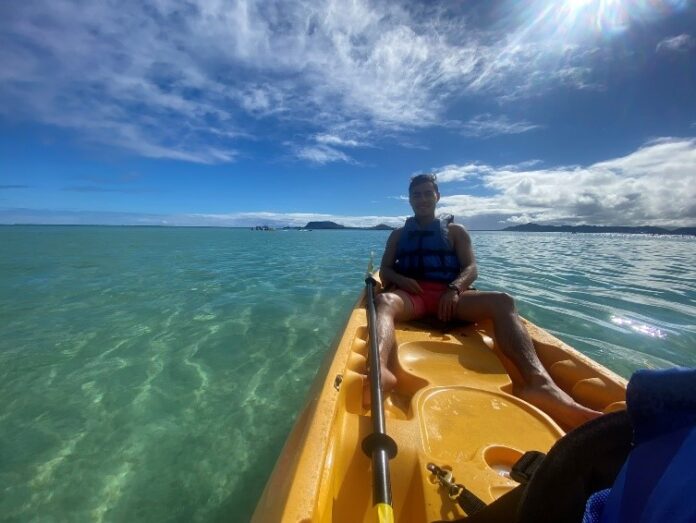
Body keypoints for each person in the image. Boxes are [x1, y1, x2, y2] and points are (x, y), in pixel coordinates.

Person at [368, 173, 600, 429]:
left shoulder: (456, 231)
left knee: (503, 301)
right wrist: (401, 278)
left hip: (451, 298)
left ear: (437, 196)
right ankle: (380, 372)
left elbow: (471, 268)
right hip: (414, 298)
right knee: (385, 302)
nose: (422, 199)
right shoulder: (398, 236)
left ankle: (539, 384)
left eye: (427, 193)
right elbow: (385, 270)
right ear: (409, 200)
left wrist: (455, 288)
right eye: (416, 195)